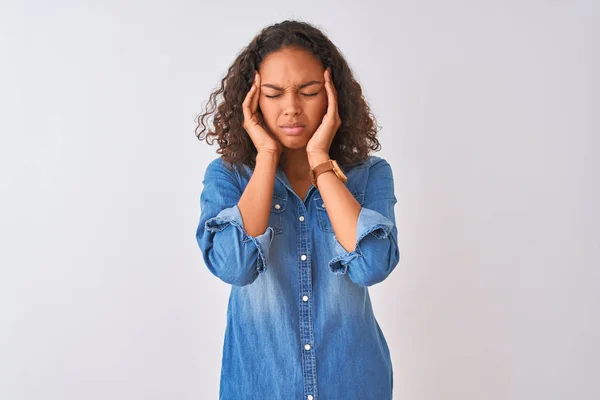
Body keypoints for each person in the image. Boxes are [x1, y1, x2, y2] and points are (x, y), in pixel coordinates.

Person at [194, 19, 400, 400]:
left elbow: (372, 266)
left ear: (332, 95)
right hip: (259, 387)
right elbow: (235, 267)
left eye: (308, 91)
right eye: (273, 94)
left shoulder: (369, 174)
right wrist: (268, 156)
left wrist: (320, 162)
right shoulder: (228, 177)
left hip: (354, 385)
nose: (291, 108)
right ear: (252, 100)